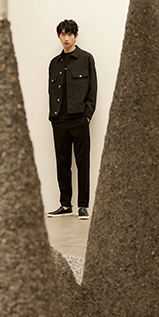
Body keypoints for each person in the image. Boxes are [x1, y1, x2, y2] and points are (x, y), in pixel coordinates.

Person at [47, 19, 97, 220]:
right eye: (63, 34)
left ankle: (83, 206)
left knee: (82, 163)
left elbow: (92, 89)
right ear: (58, 36)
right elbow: (51, 91)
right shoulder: (54, 63)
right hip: (59, 120)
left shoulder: (86, 59)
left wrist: (87, 115)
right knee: (62, 163)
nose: (66, 38)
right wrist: (53, 116)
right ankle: (65, 204)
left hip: (79, 119)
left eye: (70, 34)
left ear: (76, 36)